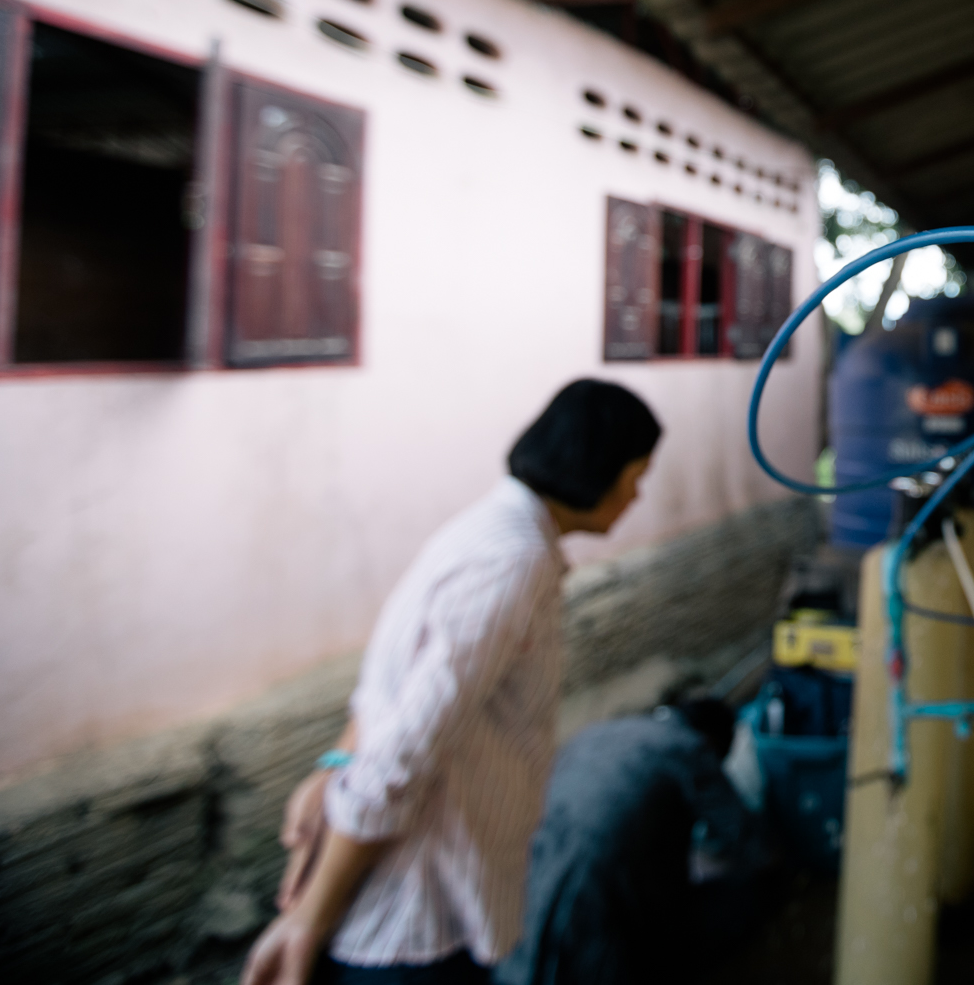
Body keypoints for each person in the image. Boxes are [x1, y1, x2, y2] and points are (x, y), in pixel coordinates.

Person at [243, 379, 663, 985]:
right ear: (598, 468)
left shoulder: (490, 531)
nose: (636, 496)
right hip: (411, 918)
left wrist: (335, 762)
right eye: (635, 476)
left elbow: (390, 691)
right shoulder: (509, 563)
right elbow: (401, 754)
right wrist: (309, 919)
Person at [494, 698, 759, 985]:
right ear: (713, 740)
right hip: (593, 900)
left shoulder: (596, 733)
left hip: (524, 882)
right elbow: (748, 842)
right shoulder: (687, 745)